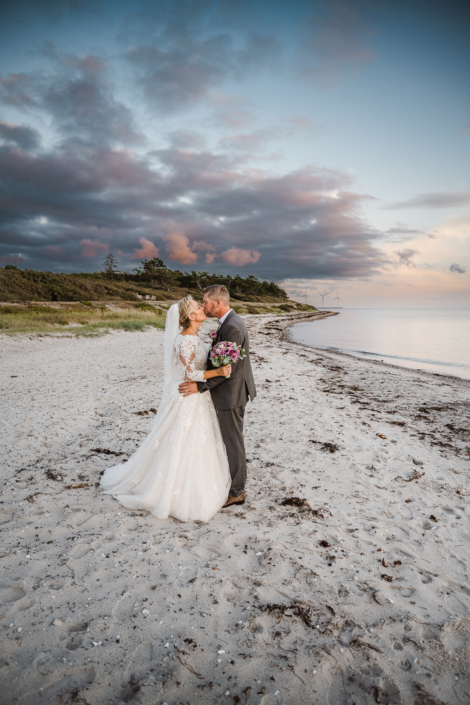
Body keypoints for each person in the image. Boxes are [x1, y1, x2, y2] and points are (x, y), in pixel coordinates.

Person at [100, 296, 232, 522]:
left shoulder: (193, 337)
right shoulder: (185, 340)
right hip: (186, 395)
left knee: (195, 440)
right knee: (179, 440)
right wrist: (218, 372)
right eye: (198, 306)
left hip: (197, 396)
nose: (202, 308)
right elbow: (189, 373)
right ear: (191, 316)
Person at [179, 285, 256, 507]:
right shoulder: (227, 322)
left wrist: (200, 386)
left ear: (218, 303)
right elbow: (220, 365)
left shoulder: (232, 327)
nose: (204, 306)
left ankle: (237, 491)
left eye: (206, 302)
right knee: (229, 439)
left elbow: (227, 370)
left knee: (233, 441)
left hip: (231, 393)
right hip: (228, 391)